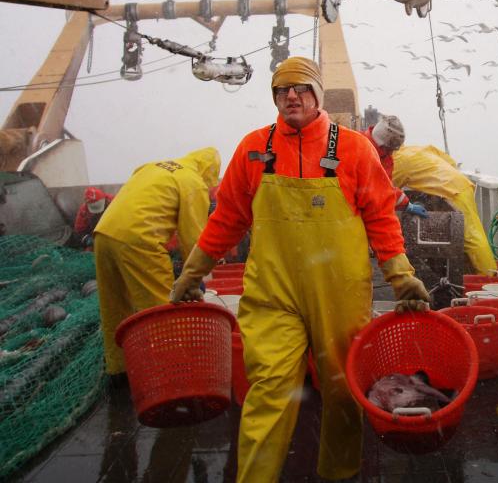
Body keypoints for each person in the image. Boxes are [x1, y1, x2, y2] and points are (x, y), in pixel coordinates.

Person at [169, 56, 430, 483]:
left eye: (301, 87)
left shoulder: (354, 149)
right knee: (269, 391)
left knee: (343, 391)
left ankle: (340, 473)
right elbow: (228, 218)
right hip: (274, 294)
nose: (291, 95)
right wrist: (193, 272)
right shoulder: (253, 147)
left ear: (318, 94)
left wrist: (401, 276)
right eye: (282, 88)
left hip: (339, 293)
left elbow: (381, 218)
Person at [93, 147, 220, 376]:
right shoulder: (192, 181)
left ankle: (119, 371)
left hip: (103, 234)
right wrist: (196, 278)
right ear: (209, 172)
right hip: (141, 240)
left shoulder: (153, 166)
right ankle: (176, 373)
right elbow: (194, 238)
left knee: (115, 308)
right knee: (162, 312)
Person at [392, 145, 498, 275]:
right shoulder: (414, 149)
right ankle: (473, 275)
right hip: (459, 185)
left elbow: (384, 190)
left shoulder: (398, 161)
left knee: (471, 237)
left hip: (452, 192)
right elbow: (450, 161)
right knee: (470, 235)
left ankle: (489, 278)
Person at [360, 114, 428, 217]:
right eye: (389, 149)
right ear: (381, 144)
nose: (391, 153)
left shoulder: (385, 157)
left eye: (393, 149)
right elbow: (381, 190)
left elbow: (386, 187)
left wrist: (406, 204)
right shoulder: (362, 151)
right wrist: (407, 205)